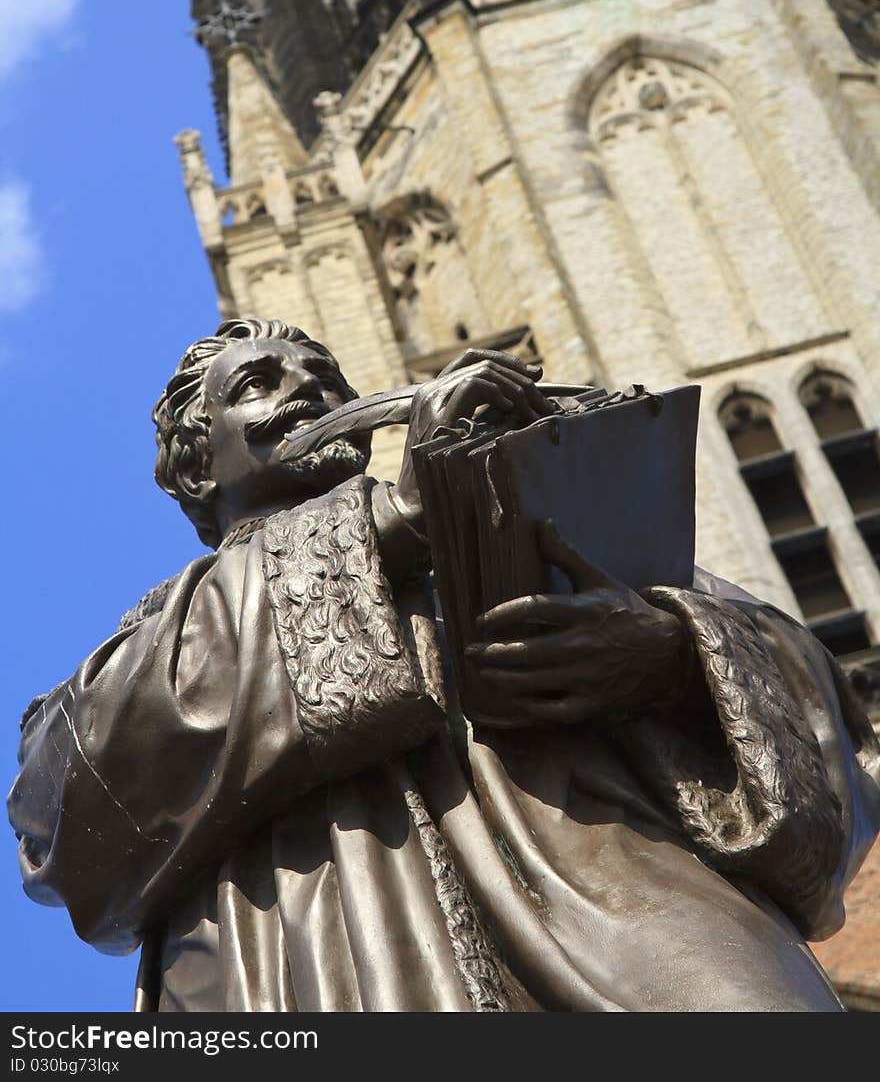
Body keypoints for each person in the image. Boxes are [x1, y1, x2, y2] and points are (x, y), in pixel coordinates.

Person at [9, 318, 880, 1012]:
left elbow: (822, 719)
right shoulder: (161, 631)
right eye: (258, 384)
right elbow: (62, 813)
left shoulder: (538, 522)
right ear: (200, 469)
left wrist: (673, 657)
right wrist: (402, 520)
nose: (309, 390)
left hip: (633, 918)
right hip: (320, 964)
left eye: (326, 376)